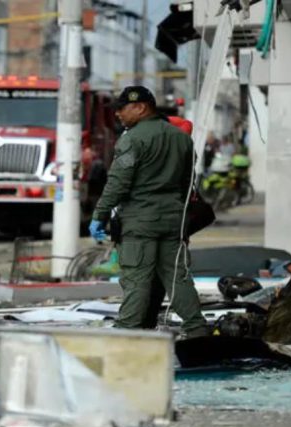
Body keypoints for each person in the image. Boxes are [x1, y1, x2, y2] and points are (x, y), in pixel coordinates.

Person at [89, 86, 208, 338]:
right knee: (178, 278)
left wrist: (99, 215)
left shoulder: (132, 139)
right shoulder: (182, 138)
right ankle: (197, 330)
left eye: (122, 109)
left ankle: (126, 333)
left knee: (137, 280)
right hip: (173, 222)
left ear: (140, 107)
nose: (118, 114)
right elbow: (187, 183)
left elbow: (118, 183)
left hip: (140, 222)